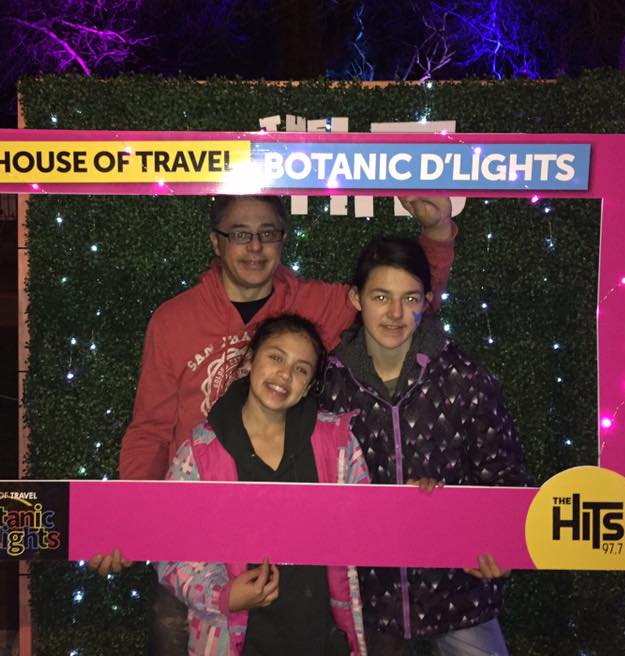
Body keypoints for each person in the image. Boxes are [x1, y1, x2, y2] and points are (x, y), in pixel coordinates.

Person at [91, 195, 454, 654]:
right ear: (216, 242)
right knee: (173, 624)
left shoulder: (315, 303)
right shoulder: (173, 320)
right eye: (240, 234)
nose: (255, 246)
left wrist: (437, 234)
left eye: (267, 233)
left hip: (296, 540)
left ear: (283, 239)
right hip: (203, 534)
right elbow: (150, 430)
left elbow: (398, 304)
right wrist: (131, 518)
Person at [317, 235, 530, 656]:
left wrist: (496, 539)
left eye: (410, 298)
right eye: (381, 297)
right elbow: (318, 483)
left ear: (427, 302)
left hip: (460, 590)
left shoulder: (464, 377)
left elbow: (506, 474)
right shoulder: (331, 384)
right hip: (372, 599)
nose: (395, 313)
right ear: (356, 299)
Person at [156, 314, 369, 656]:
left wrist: (413, 498)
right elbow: (171, 548)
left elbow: (367, 525)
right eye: (276, 357)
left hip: (321, 638)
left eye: (301, 369)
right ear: (250, 360)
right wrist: (224, 596)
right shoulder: (200, 450)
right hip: (234, 641)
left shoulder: (339, 444)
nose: (285, 374)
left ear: (309, 386)